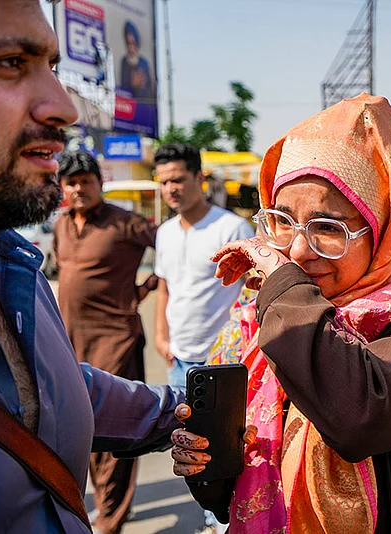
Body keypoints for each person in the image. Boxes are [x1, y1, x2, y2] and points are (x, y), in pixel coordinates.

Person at [170, 94, 391, 533]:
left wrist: (283, 286)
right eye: (282, 221)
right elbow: (239, 489)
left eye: (329, 227)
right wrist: (207, 463)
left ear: (383, 227)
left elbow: (357, 419)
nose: (298, 250)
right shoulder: (261, 315)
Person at [0, 1, 184, 531]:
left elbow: (48, 387)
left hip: (116, 342)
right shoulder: (52, 234)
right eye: (10, 61)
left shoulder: (10, 261)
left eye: (51, 66)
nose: (64, 106)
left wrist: (189, 411)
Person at [54, 150, 158, 534]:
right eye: (72, 182)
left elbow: (176, 251)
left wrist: (145, 289)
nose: (79, 188)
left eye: (86, 180)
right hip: (69, 343)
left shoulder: (125, 222)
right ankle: (106, 507)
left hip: (117, 340)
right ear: (63, 188)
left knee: (113, 431)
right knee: (79, 429)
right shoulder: (62, 225)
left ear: (99, 183)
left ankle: (110, 520)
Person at [153, 143, 254, 534]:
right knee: (190, 451)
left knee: (226, 452)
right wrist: (162, 336)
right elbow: (165, 289)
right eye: (163, 182)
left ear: (199, 178)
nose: (171, 189)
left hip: (223, 363)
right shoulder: (164, 233)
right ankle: (211, 521)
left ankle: (225, 524)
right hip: (180, 361)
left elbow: (251, 292)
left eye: (178, 179)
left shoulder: (231, 229)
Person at [119, 20, 152, 99]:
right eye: (128, 43)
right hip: (129, 106)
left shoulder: (144, 63)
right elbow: (123, 87)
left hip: (143, 105)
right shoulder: (124, 61)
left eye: (133, 42)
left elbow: (150, 89)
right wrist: (132, 84)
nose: (131, 47)